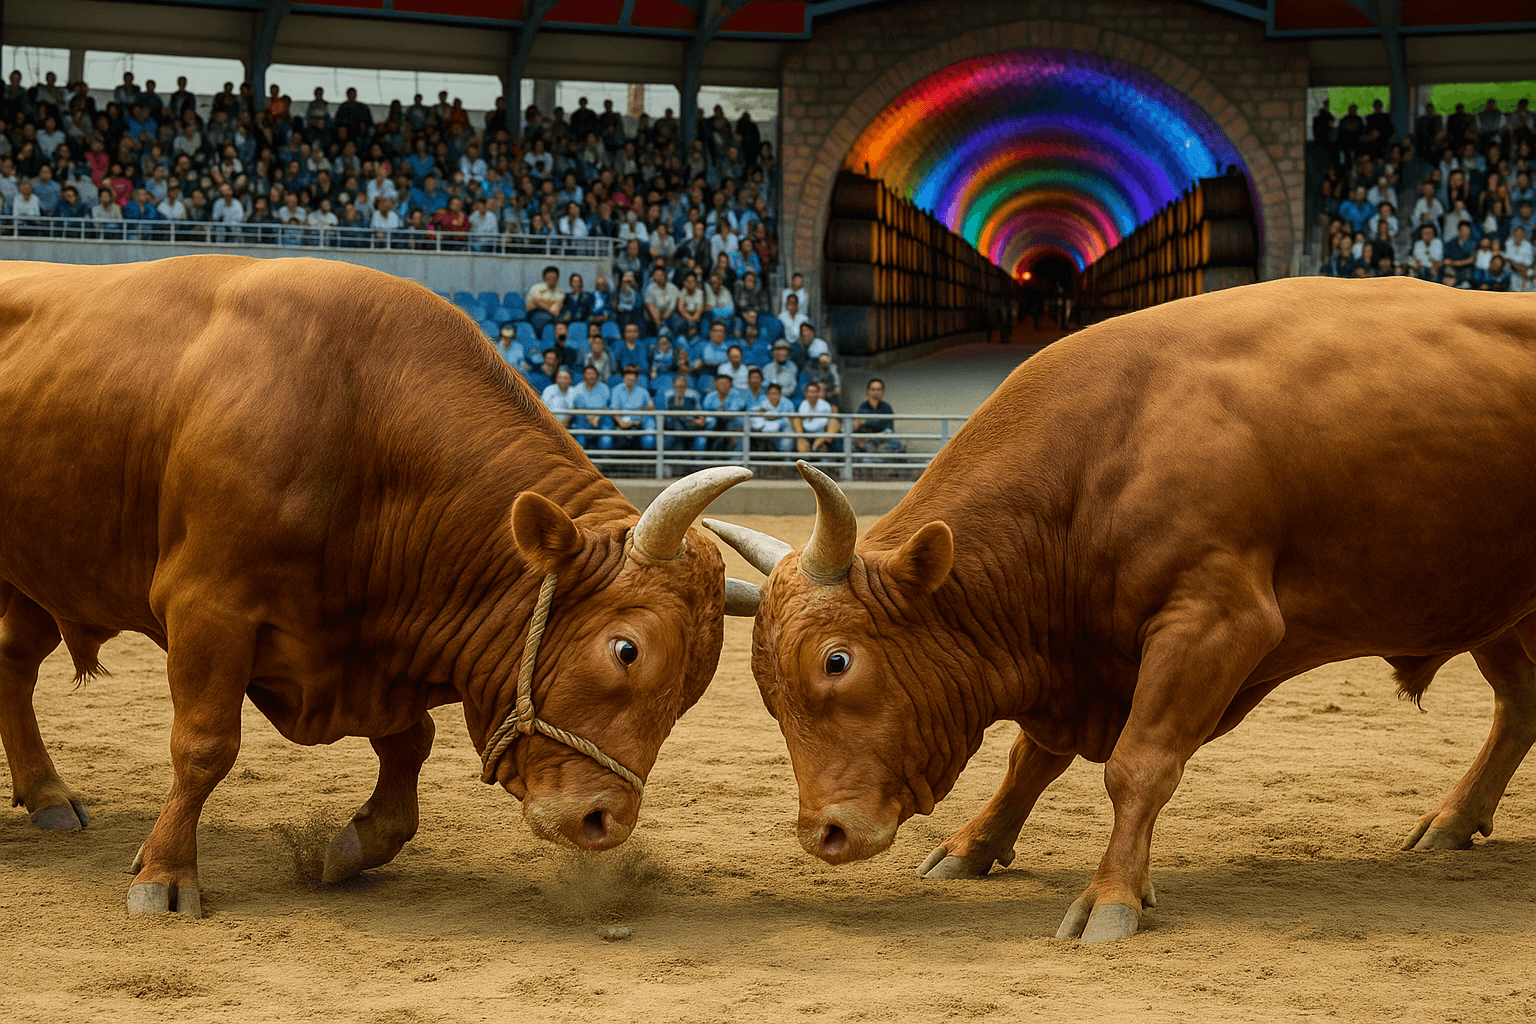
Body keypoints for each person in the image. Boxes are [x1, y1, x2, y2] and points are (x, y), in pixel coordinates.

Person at [602, 364, 655, 451]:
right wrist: (621, 423)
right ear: (623, 376)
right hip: (622, 421)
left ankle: (647, 458)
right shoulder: (616, 390)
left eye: (632, 375)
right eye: (628, 374)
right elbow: (615, 410)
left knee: (650, 424)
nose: (630, 377)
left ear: (636, 377)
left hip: (639, 421)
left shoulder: (643, 392)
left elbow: (651, 408)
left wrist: (649, 408)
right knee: (607, 430)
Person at [852, 377, 902, 454]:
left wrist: (867, 423)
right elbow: (858, 427)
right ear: (867, 392)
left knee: (895, 444)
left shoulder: (886, 407)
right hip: (866, 442)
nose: (876, 392)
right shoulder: (862, 407)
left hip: (881, 441)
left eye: (879, 390)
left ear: (883, 392)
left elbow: (888, 431)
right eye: (873, 390)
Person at [662, 373, 709, 454]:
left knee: (701, 439)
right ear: (674, 385)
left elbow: (699, 411)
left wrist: (701, 420)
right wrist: (692, 421)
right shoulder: (668, 395)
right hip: (674, 427)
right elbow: (670, 414)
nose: (680, 389)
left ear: (686, 385)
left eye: (682, 387)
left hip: (691, 427)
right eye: (678, 387)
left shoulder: (693, 394)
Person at [702, 372, 749, 452]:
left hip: (732, 424)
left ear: (730, 384)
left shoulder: (736, 394)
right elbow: (706, 412)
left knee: (739, 424)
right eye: (720, 383)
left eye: (726, 383)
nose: (723, 385)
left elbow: (735, 412)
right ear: (715, 384)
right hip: (715, 426)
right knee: (710, 422)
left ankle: (735, 461)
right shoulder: (710, 396)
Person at [568, 364, 610, 450]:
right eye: (588, 373)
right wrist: (589, 417)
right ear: (583, 375)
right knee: (580, 439)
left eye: (593, 373)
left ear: (597, 375)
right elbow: (577, 407)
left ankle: (605, 461)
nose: (591, 376)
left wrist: (596, 417)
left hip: (601, 417)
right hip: (583, 418)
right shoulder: (577, 389)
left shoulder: (604, 387)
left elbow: (605, 406)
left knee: (606, 440)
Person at [794, 380, 840, 456]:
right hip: (807, 434)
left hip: (822, 435)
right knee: (795, 419)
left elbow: (830, 422)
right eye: (810, 392)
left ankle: (820, 444)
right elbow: (801, 420)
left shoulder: (825, 405)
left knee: (835, 423)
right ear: (806, 393)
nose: (812, 394)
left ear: (818, 393)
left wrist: (823, 437)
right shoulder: (803, 404)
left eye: (814, 392)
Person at [751, 382, 797, 453]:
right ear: (768, 395)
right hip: (768, 433)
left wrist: (776, 417)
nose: (773, 396)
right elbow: (755, 416)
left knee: (786, 425)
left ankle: (787, 459)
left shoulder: (788, 403)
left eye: (775, 393)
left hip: (784, 432)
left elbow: (793, 420)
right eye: (771, 394)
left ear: (780, 394)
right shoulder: (763, 403)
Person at [525, 264, 565, 334]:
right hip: (535, 314)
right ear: (544, 278)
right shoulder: (536, 288)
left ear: (557, 279)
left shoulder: (560, 292)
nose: (552, 281)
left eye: (554, 278)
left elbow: (556, 309)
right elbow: (532, 305)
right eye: (549, 279)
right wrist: (550, 306)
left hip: (552, 316)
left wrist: (541, 303)